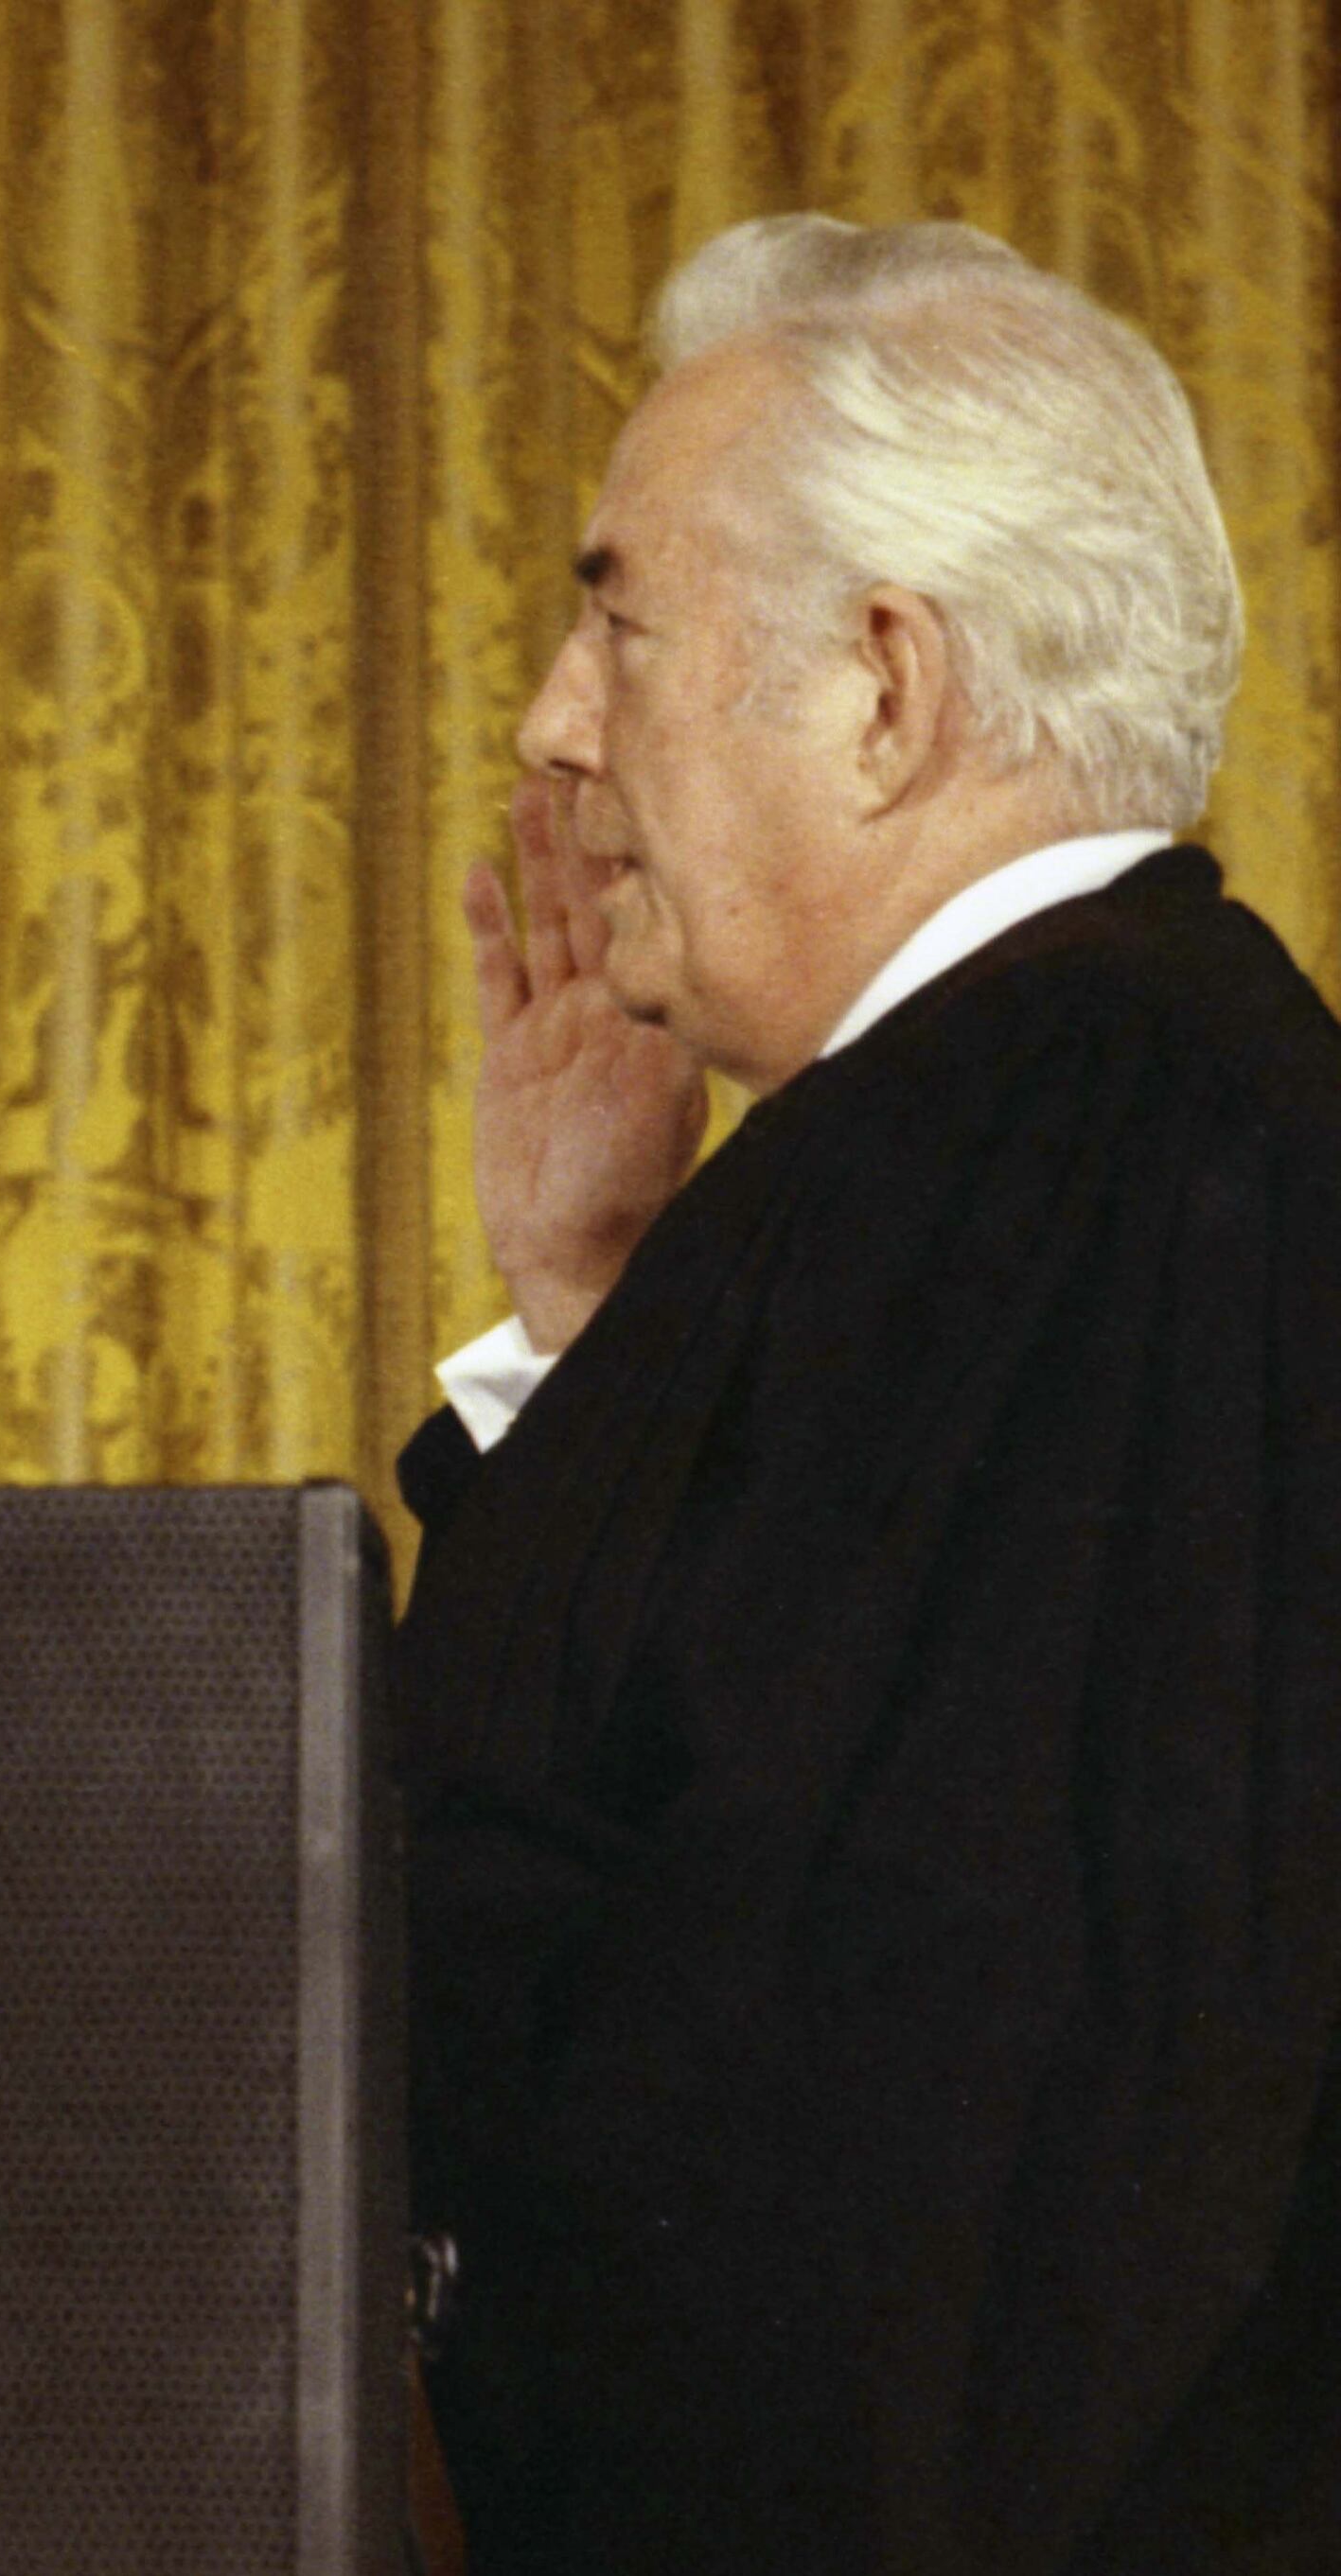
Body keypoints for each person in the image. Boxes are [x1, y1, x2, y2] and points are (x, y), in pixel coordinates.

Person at [397, 214, 1341, 2569]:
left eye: (617, 614)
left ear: (884, 688)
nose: (547, 717)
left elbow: (945, 2154)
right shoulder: (1002, 1131)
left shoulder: (1071, 1136)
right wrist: (597, 1300)